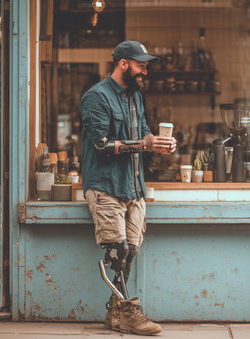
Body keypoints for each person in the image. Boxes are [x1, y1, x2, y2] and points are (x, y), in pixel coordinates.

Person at [79, 40, 177, 335]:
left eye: (145, 65)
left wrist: (157, 143)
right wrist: (142, 144)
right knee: (118, 252)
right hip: (106, 187)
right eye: (140, 65)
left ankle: (115, 315)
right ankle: (131, 313)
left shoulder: (136, 97)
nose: (144, 71)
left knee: (130, 253)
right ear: (123, 63)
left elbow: (144, 130)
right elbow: (100, 145)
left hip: (133, 187)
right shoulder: (96, 97)